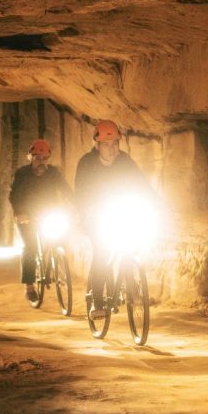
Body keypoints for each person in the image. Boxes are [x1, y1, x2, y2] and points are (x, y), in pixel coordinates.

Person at [75, 119, 155, 318]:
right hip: (96, 217)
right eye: (106, 144)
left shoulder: (125, 161)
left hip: (121, 212)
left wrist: (155, 203)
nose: (111, 149)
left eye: (115, 144)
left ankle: (131, 285)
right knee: (102, 253)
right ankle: (97, 301)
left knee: (132, 245)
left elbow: (141, 184)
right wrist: (88, 209)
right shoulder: (86, 163)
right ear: (97, 145)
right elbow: (81, 192)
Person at [9, 139, 73, 303]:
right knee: (30, 247)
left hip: (48, 214)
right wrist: (19, 213)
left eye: (45, 159)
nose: (41, 162)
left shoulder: (54, 173)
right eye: (38, 158)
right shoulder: (22, 174)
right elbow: (14, 195)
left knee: (59, 239)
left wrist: (73, 206)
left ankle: (58, 263)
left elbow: (66, 191)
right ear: (30, 158)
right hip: (28, 217)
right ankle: (29, 286)